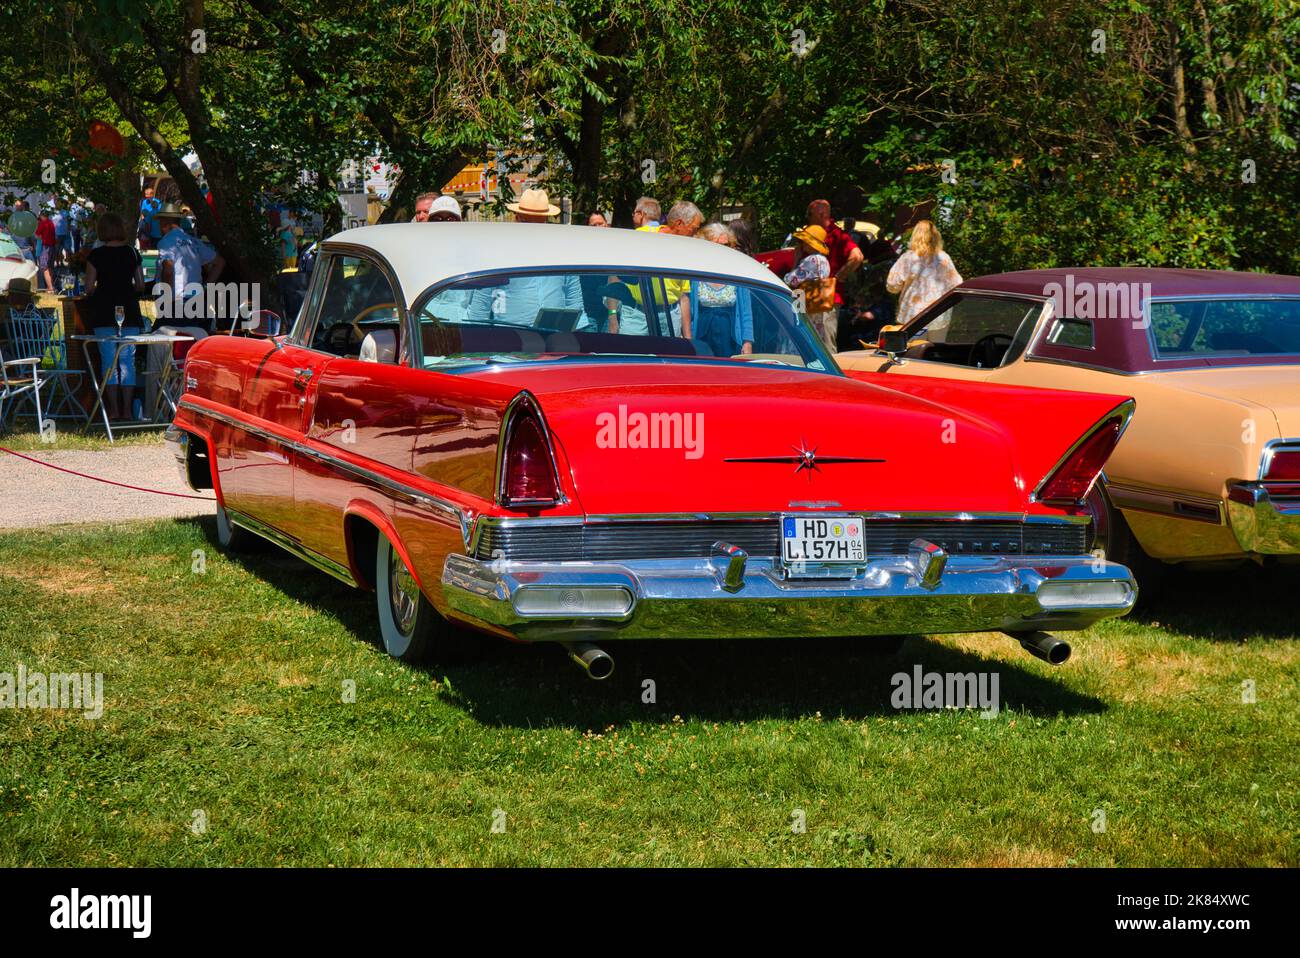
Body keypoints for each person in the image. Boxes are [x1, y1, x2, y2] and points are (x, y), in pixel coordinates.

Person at [465, 189, 583, 326]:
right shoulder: (498, 253)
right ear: (517, 218)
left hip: (555, 337)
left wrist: (575, 337)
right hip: (511, 338)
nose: (534, 229)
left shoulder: (562, 254)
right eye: (529, 223)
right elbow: (481, 305)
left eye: (540, 224)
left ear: (546, 221)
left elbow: (574, 301)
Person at [82, 213, 145, 421]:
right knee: (128, 360)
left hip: (104, 310)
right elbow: (141, 285)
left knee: (109, 361)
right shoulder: (132, 253)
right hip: (129, 307)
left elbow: (89, 287)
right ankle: (128, 411)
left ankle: (113, 410)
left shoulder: (96, 255)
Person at [684, 223, 753, 357]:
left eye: (726, 245)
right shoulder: (695, 272)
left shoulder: (738, 271)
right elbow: (687, 308)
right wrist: (688, 338)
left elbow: (746, 312)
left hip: (731, 337)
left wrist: (747, 342)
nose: (723, 249)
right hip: (702, 335)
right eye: (717, 245)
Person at [155, 203, 223, 327]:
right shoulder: (194, 241)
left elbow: (168, 271)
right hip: (196, 300)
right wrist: (205, 287)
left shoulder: (166, 243)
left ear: (164, 222)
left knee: (167, 340)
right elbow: (219, 262)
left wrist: (167, 301)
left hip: (176, 302)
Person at [886, 219, 962, 326]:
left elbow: (892, 285)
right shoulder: (943, 258)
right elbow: (956, 284)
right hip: (938, 315)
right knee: (936, 343)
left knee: (913, 343)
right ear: (936, 237)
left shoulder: (908, 258)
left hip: (911, 315)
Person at [783, 224, 836, 352]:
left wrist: (795, 262)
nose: (802, 245)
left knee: (800, 334)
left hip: (803, 302)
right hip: (817, 305)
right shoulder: (824, 260)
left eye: (805, 242)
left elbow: (791, 280)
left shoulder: (811, 260)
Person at [806, 199, 863, 310]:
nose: (808, 218)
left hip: (824, 297)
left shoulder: (837, 235)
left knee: (822, 327)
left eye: (809, 214)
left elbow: (857, 256)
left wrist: (838, 277)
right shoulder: (816, 233)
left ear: (821, 214)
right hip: (811, 295)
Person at [34, 210, 56, 291]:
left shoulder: (42, 223)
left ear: (41, 216)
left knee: (44, 268)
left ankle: (50, 288)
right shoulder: (51, 223)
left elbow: (36, 235)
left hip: (45, 247)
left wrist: (39, 238)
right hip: (52, 247)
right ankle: (51, 286)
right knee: (50, 267)